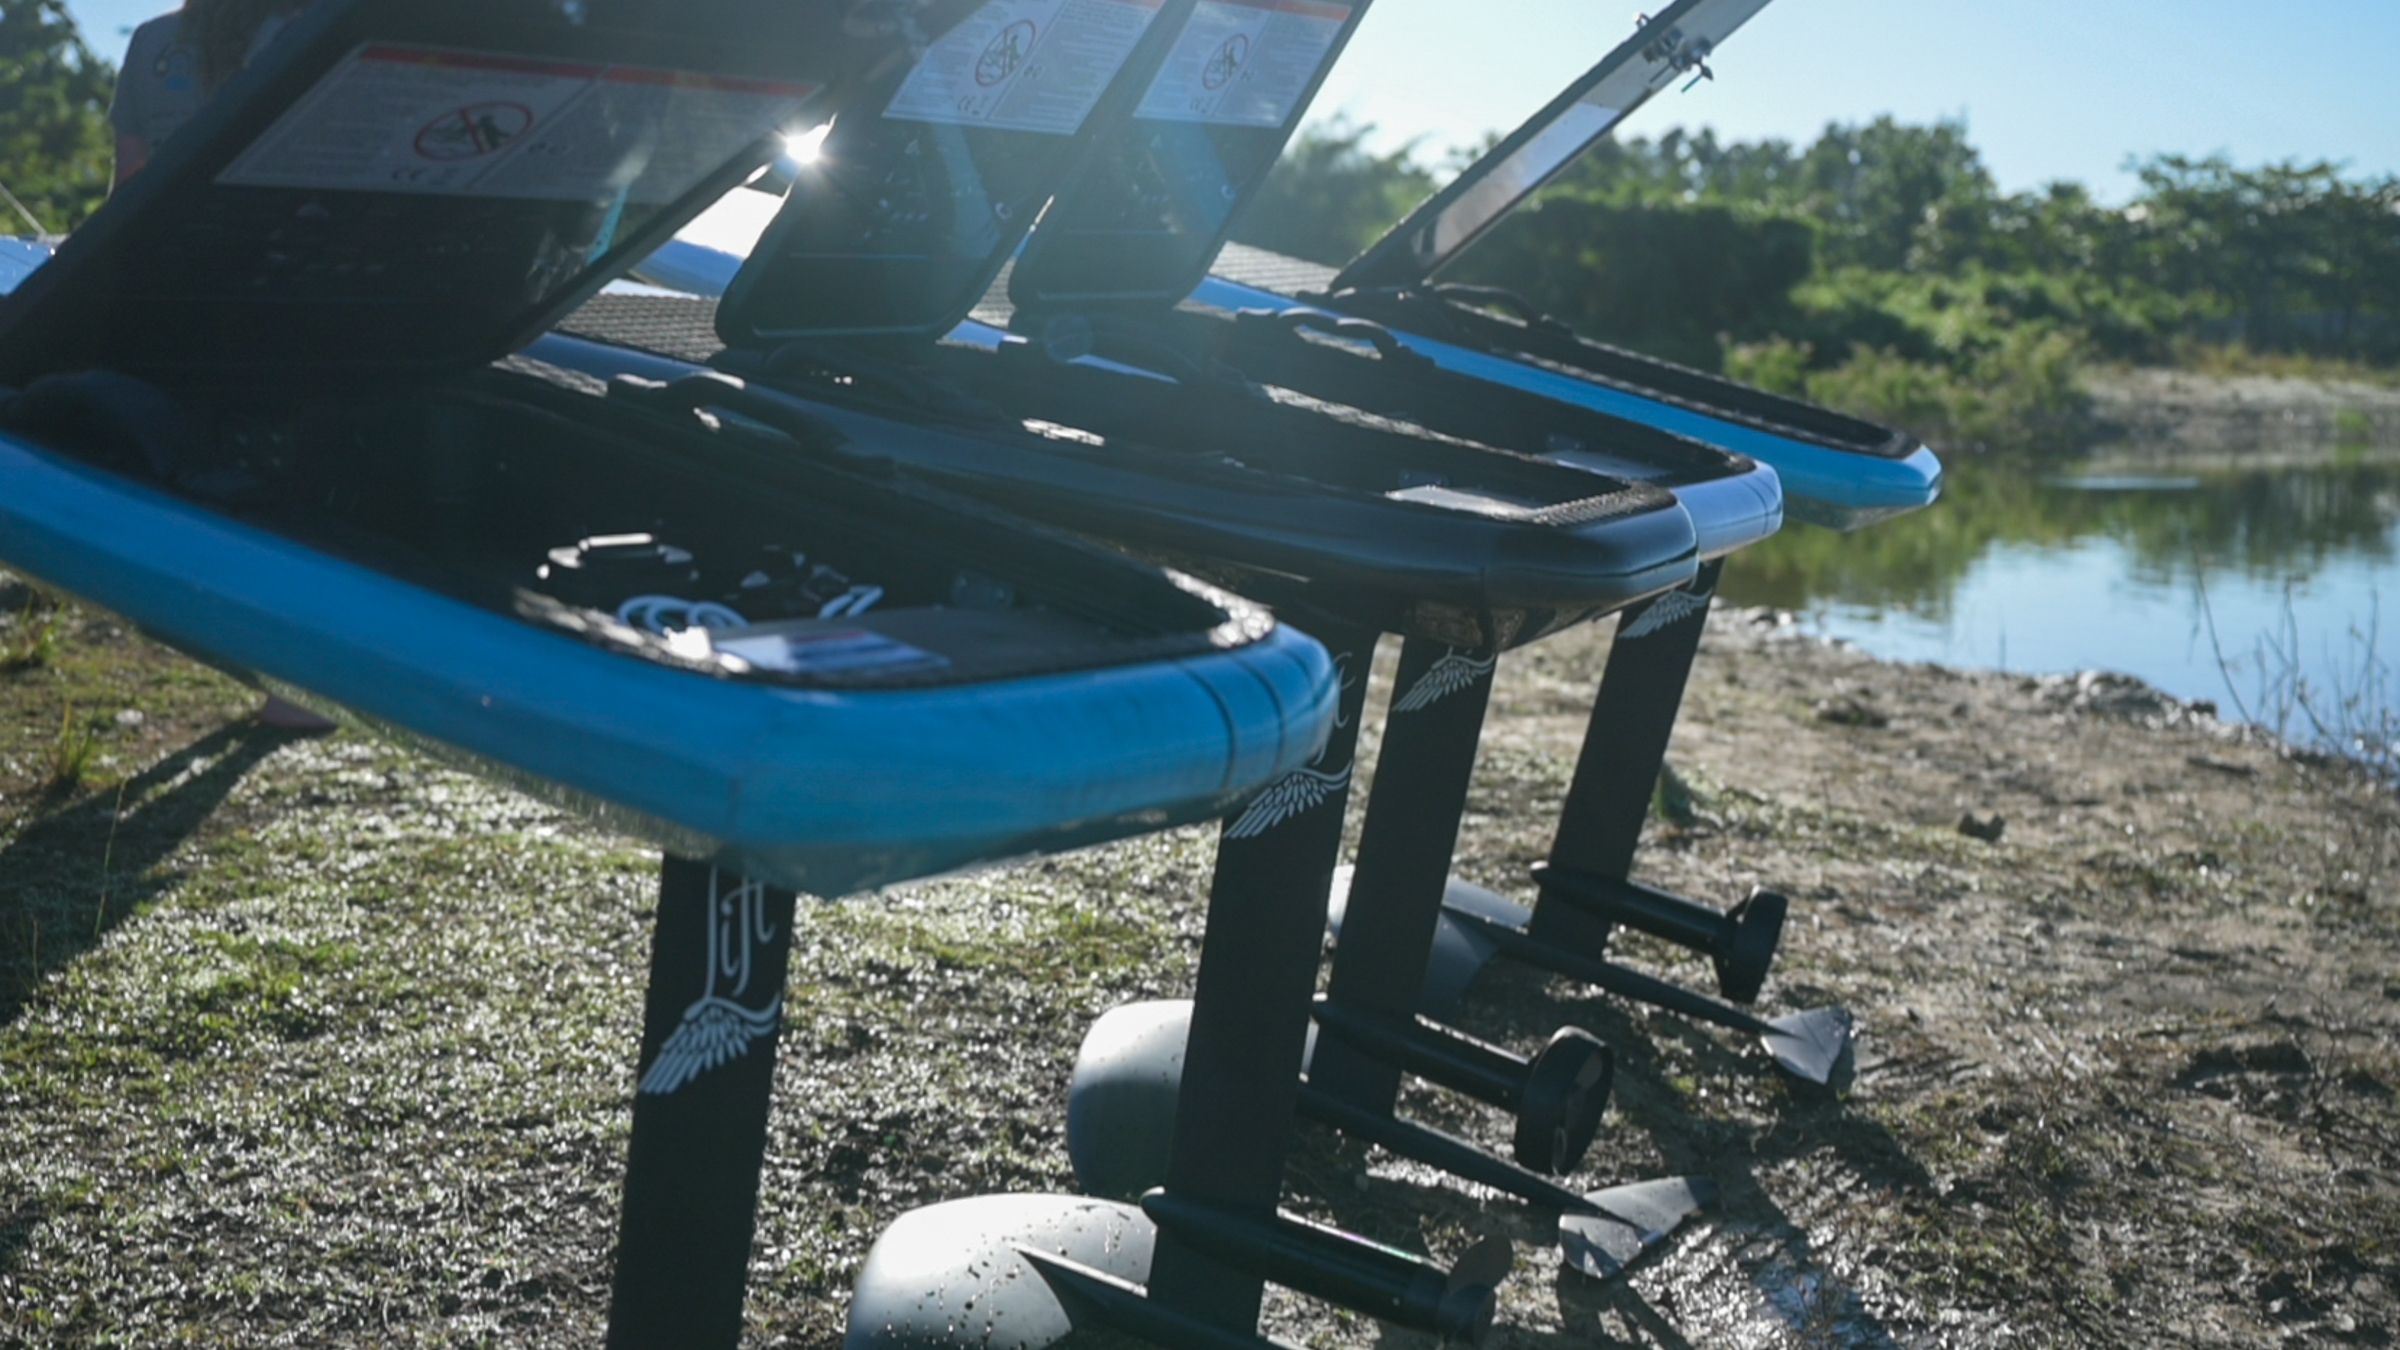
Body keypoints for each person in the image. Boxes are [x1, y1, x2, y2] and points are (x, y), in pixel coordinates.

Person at [108, 3, 336, 734]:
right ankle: (290, 683)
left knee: (212, 471)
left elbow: (131, 188)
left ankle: (257, 660)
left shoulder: (150, 44)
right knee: (283, 477)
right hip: (289, 290)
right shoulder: (316, 23)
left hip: (175, 294)